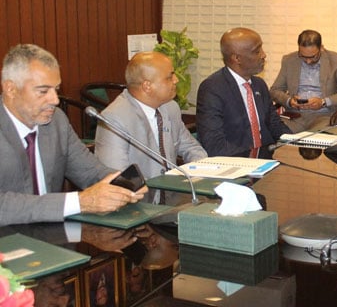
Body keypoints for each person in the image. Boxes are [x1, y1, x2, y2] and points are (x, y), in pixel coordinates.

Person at [0, 44, 144, 226]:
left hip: (51, 236)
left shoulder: (56, 122)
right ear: (10, 89)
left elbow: (90, 172)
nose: (55, 100)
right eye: (43, 91)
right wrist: (78, 202)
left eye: (56, 89)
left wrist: (122, 185)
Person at [94, 52, 207, 203]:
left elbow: (192, 148)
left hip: (175, 197)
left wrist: (199, 174)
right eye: (169, 77)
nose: (176, 80)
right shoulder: (115, 118)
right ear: (147, 86)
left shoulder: (170, 107)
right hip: (140, 205)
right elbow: (118, 177)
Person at [197, 27, 291, 159]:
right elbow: (215, 144)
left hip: (267, 159)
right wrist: (253, 160)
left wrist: (295, 142)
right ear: (237, 58)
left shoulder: (259, 85)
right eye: (257, 51)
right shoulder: (213, 89)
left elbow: (275, 125)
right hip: (238, 163)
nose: (264, 55)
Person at [270, 29, 337, 132]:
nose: (308, 61)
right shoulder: (289, 60)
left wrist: (323, 102)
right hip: (295, 117)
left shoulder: (336, 61)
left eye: (313, 57)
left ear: (321, 48)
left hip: (325, 117)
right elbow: (274, 90)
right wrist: (290, 101)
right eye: (303, 56)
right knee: (269, 130)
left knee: (315, 139)